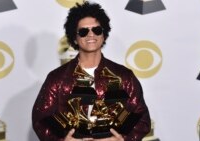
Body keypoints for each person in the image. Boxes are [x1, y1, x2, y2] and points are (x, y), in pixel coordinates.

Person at [32, 1, 151, 141]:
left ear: (104, 35)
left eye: (97, 30)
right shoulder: (57, 78)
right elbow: (40, 119)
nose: (90, 35)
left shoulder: (124, 76)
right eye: (83, 31)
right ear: (74, 39)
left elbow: (142, 118)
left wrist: (122, 139)